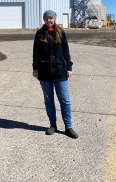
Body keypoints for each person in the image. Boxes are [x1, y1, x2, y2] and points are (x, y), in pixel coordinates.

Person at [32, 10, 78, 138]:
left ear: (55, 19)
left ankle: (68, 127)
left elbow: (66, 52)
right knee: (49, 100)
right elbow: (35, 53)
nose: (49, 20)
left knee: (65, 100)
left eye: (51, 18)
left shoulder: (61, 33)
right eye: (47, 18)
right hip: (44, 72)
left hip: (59, 72)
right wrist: (35, 69)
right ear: (44, 20)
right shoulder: (40, 33)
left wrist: (69, 68)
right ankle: (53, 125)